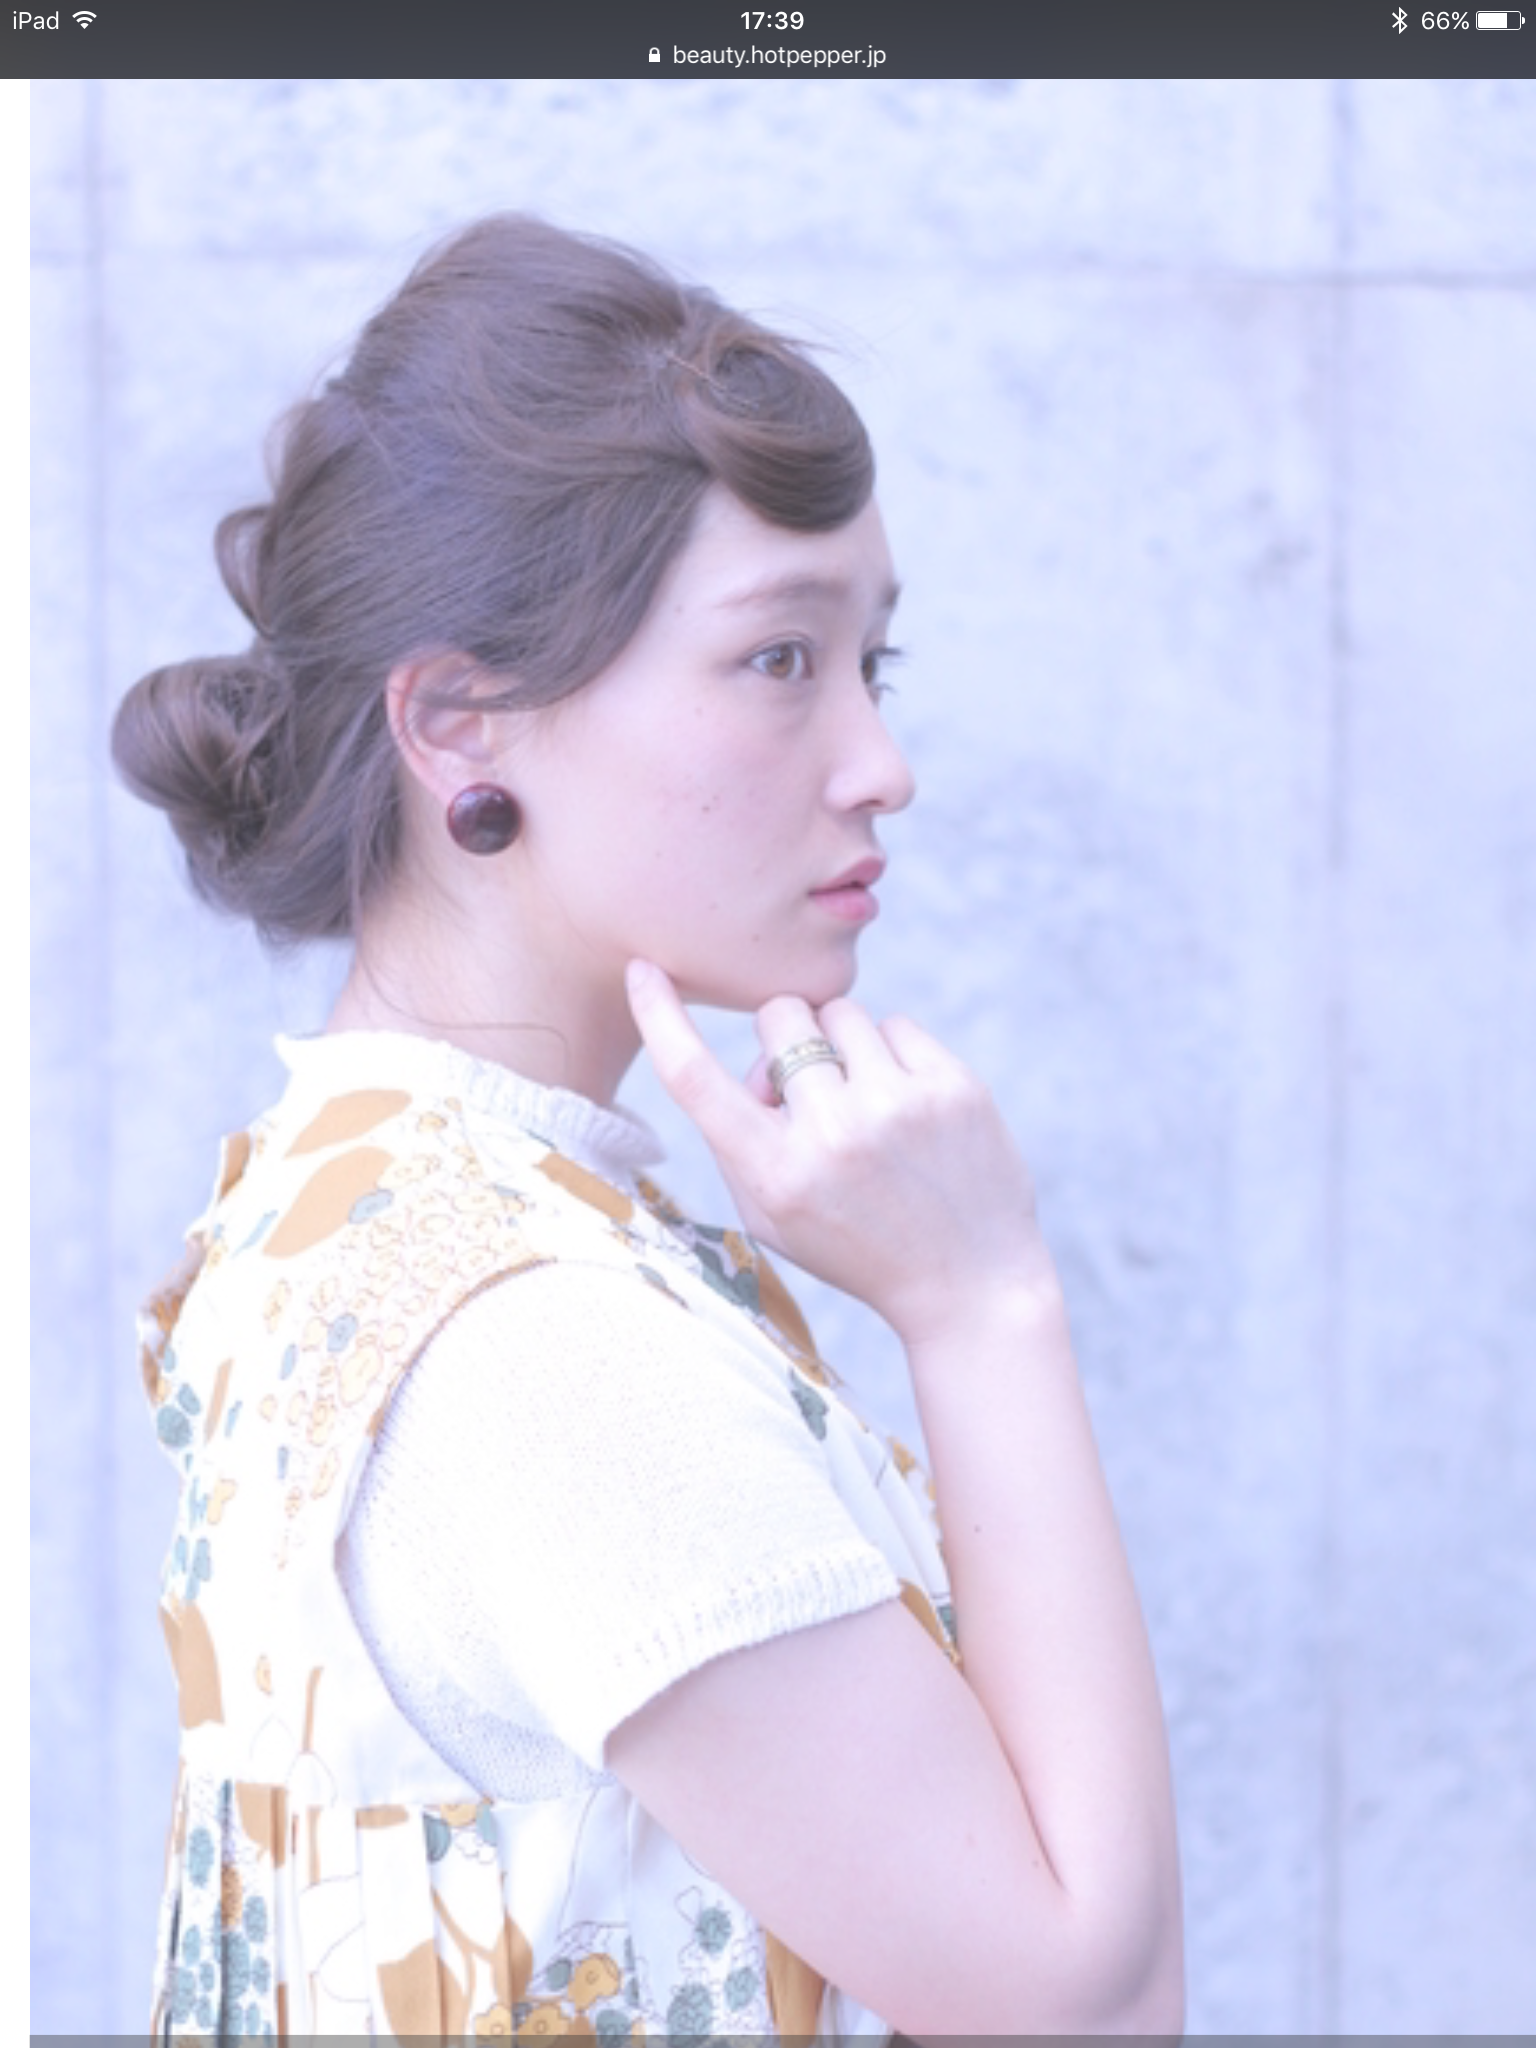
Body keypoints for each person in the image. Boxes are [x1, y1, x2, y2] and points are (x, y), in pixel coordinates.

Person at [113, 213, 1184, 2044]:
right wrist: (982, 1305)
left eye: (872, 665)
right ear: (463, 723)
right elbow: (1086, 2012)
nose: (881, 766)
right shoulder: (540, 1344)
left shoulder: (337, 1205)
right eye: (779, 661)